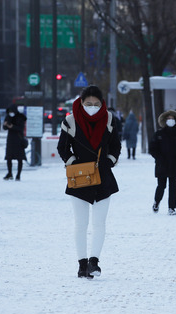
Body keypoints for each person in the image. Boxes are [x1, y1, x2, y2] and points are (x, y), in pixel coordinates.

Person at [57, 85, 121, 279]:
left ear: (102, 104)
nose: (92, 107)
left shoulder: (109, 119)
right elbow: (63, 148)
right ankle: (82, 264)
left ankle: (94, 262)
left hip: (103, 178)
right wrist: (73, 163)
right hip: (79, 179)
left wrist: (108, 162)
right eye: (88, 104)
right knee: (81, 224)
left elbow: (116, 146)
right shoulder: (70, 121)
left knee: (99, 223)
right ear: (81, 102)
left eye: (96, 104)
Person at [149, 110, 176, 215]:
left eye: (172, 119)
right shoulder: (159, 134)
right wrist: (159, 158)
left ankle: (171, 208)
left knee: (173, 187)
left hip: (174, 165)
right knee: (161, 186)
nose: (170, 120)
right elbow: (152, 148)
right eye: (168, 119)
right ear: (165, 120)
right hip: (162, 164)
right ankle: (156, 202)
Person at [2, 105, 27, 181]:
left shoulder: (20, 117)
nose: (11, 113)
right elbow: (5, 128)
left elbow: (21, 128)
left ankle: (18, 174)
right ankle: (9, 173)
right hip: (10, 140)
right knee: (9, 157)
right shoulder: (8, 117)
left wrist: (12, 126)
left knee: (20, 158)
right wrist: (5, 125)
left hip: (19, 139)